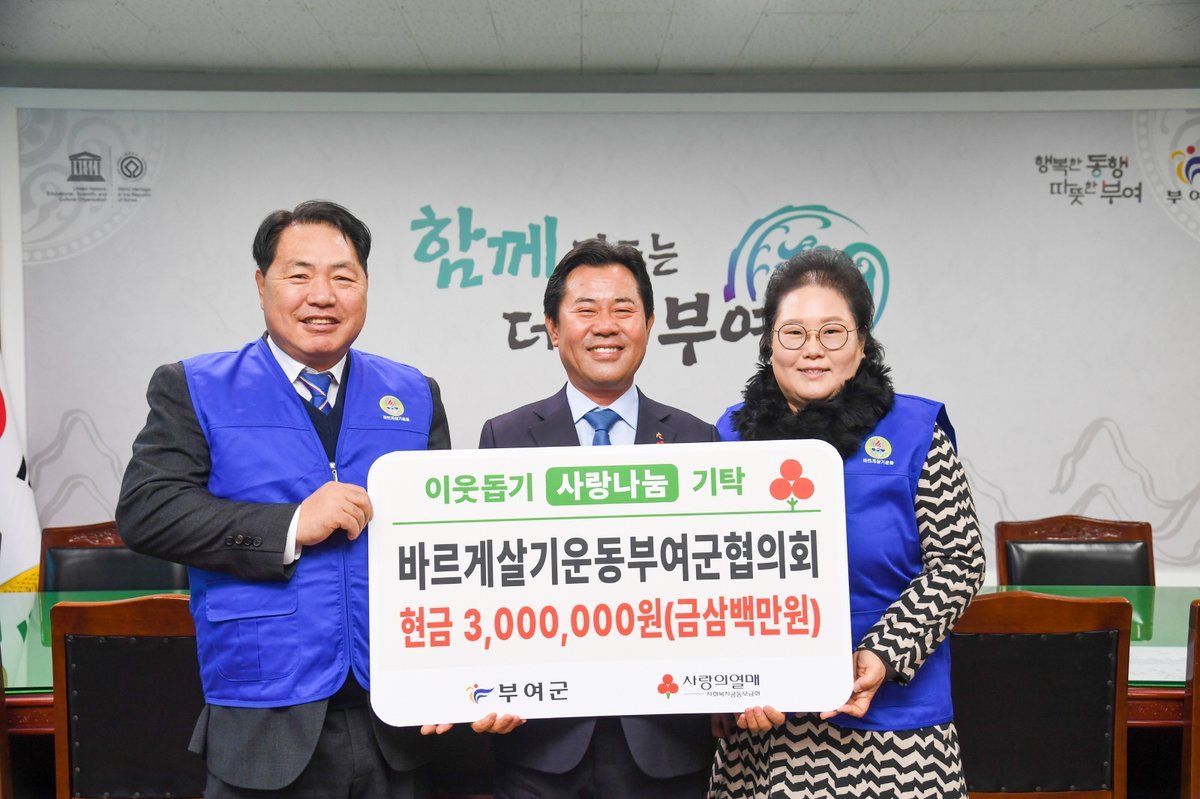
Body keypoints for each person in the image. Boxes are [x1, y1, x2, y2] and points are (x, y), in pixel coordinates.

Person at [117, 200, 450, 799]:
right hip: (262, 713)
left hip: (398, 722)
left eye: (343, 277)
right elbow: (148, 511)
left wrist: (454, 678)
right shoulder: (196, 386)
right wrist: (292, 524)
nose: (322, 295)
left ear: (365, 286)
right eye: (299, 275)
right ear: (261, 284)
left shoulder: (414, 394)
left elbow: (444, 546)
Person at [708, 249, 986, 799]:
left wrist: (884, 652)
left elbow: (959, 562)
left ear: (862, 343)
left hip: (894, 731)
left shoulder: (915, 432)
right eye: (793, 333)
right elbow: (708, 577)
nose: (812, 349)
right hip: (765, 732)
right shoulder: (729, 438)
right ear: (769, 345)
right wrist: (727, 683)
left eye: (832, 332)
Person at [478, 238, 720, 799]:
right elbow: (486, 581)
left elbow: (716, 581)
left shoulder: (696, 438)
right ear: (552, 327)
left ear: (650, 324)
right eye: (586, 309)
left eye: (623, 309)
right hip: (541, 744)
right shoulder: (505, 438)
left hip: (667, 742)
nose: (605, 326)